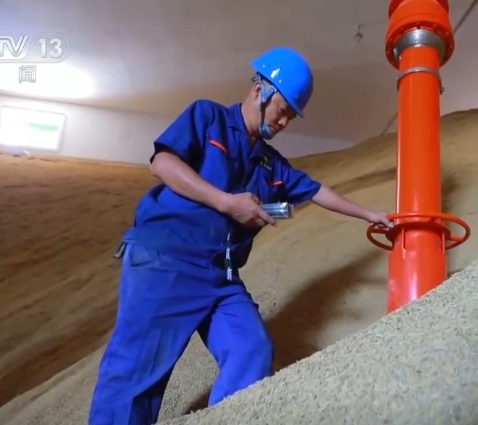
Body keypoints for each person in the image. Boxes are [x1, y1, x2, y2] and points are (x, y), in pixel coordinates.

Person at [87, 46, 394, 425]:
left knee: (251, 349)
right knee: (136, 373)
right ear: (260, 90)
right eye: (282, 109)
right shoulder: (208, 117)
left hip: (221, 275)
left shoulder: (271, 163)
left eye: (291, 116)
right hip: (167, 258)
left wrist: (369, 215)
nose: (284, 121)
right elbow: (162, 164)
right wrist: (228, 203)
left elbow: (317, 191)